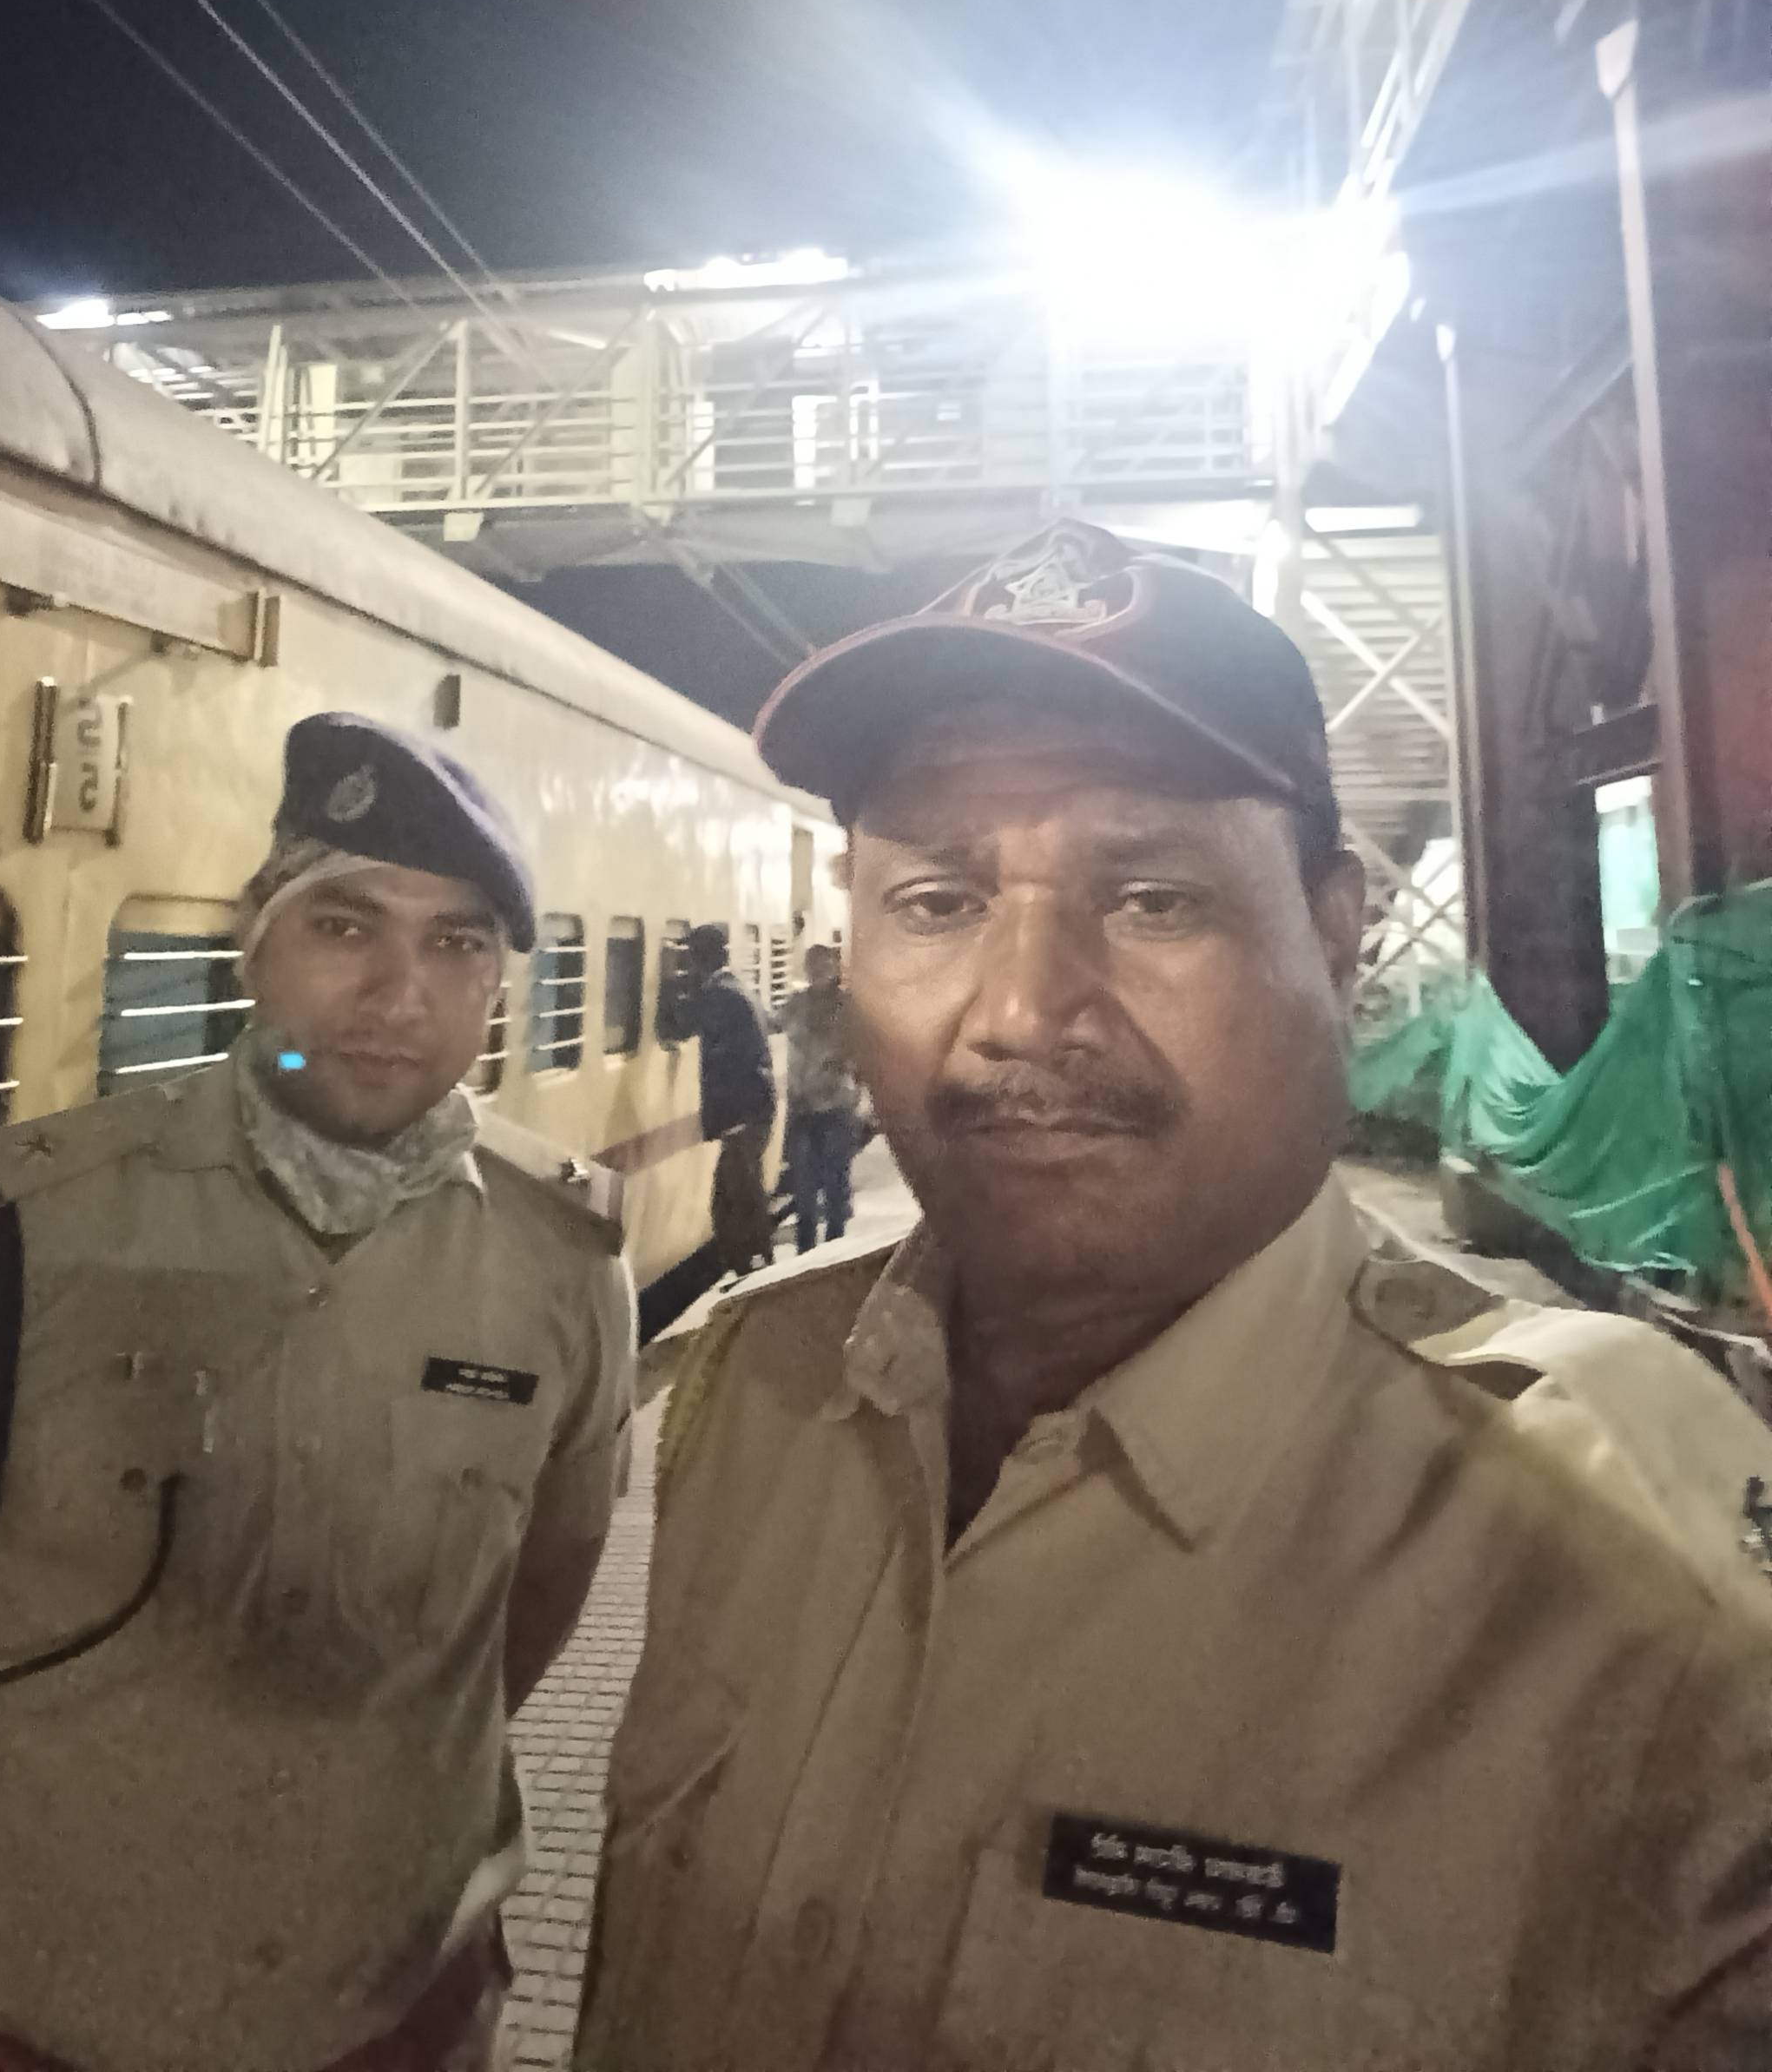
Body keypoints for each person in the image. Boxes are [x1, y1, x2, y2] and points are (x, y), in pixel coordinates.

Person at [580, 521, 1772, 2072]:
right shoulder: (754, 1395)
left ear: (1334, 936)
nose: (1020, 1011)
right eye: (934, 901)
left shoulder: (1633, 1574)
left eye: (1152, 898)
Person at [0, 714, 636, 2072]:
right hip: (47, 2032)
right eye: (346, 927)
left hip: (394, 2015)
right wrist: (33, 1881)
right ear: (256, 945)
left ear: (496, 983)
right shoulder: (23, 1226)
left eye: (457, 943)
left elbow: (528, 1607)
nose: (400, 993)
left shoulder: (566, 1257)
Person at [658, 922, 775, 1278]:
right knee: (739, 1196)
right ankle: (755, 1265)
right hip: (752, 1112)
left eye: (690, 957)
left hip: (742, 1116)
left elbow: (676, 1026)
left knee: (732, 1203)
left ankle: (753, 1270)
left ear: (699, 959)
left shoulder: (720, 996)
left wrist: (667, 981)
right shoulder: (734, 988)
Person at [769, 946, 864, 1254]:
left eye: (824, 965)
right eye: (812, 965)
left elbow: (865, 1051)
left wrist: (846, 1069)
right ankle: (806, 1251)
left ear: (835, 968)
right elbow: (773, 1024)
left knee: (835, 1186)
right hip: (802, 1109)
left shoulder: (849, 1008)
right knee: (804, 1186)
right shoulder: (796, 1004)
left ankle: (834, 1249)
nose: (818, 971)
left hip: (836, 1107)